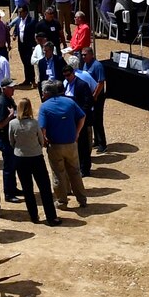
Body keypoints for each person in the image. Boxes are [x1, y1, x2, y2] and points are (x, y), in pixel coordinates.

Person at [6, 97, 58, 226]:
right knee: (44, 187)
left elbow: (11, 142)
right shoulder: (34, 123)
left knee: (27, 189)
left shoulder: (13, 124)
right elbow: (41, 141)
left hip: (20, 158)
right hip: (35, 157)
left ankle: (34, 216)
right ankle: (51, 217)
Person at [37, 80, 87, 212]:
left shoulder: (45, 107)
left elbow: (41, 128)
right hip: (71, 144)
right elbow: (82, 117)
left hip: (55, 146)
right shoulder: (69, 102)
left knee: (58, 174)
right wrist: (77, 133)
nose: (42, 95)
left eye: (43, 93)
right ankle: (82, 199)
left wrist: (45, 141)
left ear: (47, 93)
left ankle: (62, 201)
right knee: (75, 172)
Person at [15, 7, 40, 89]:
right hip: (21, 45)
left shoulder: (32, 21)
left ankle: (32, 80)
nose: (19, 13)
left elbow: (36, 32)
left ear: (25, 12)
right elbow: (17, 30)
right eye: (18, 12)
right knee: (24, 62)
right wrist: (15, 35)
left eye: (21, 12)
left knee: (29, 62)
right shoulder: (18, 21)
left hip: (29, 45)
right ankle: (27, 79)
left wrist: (35, 44)